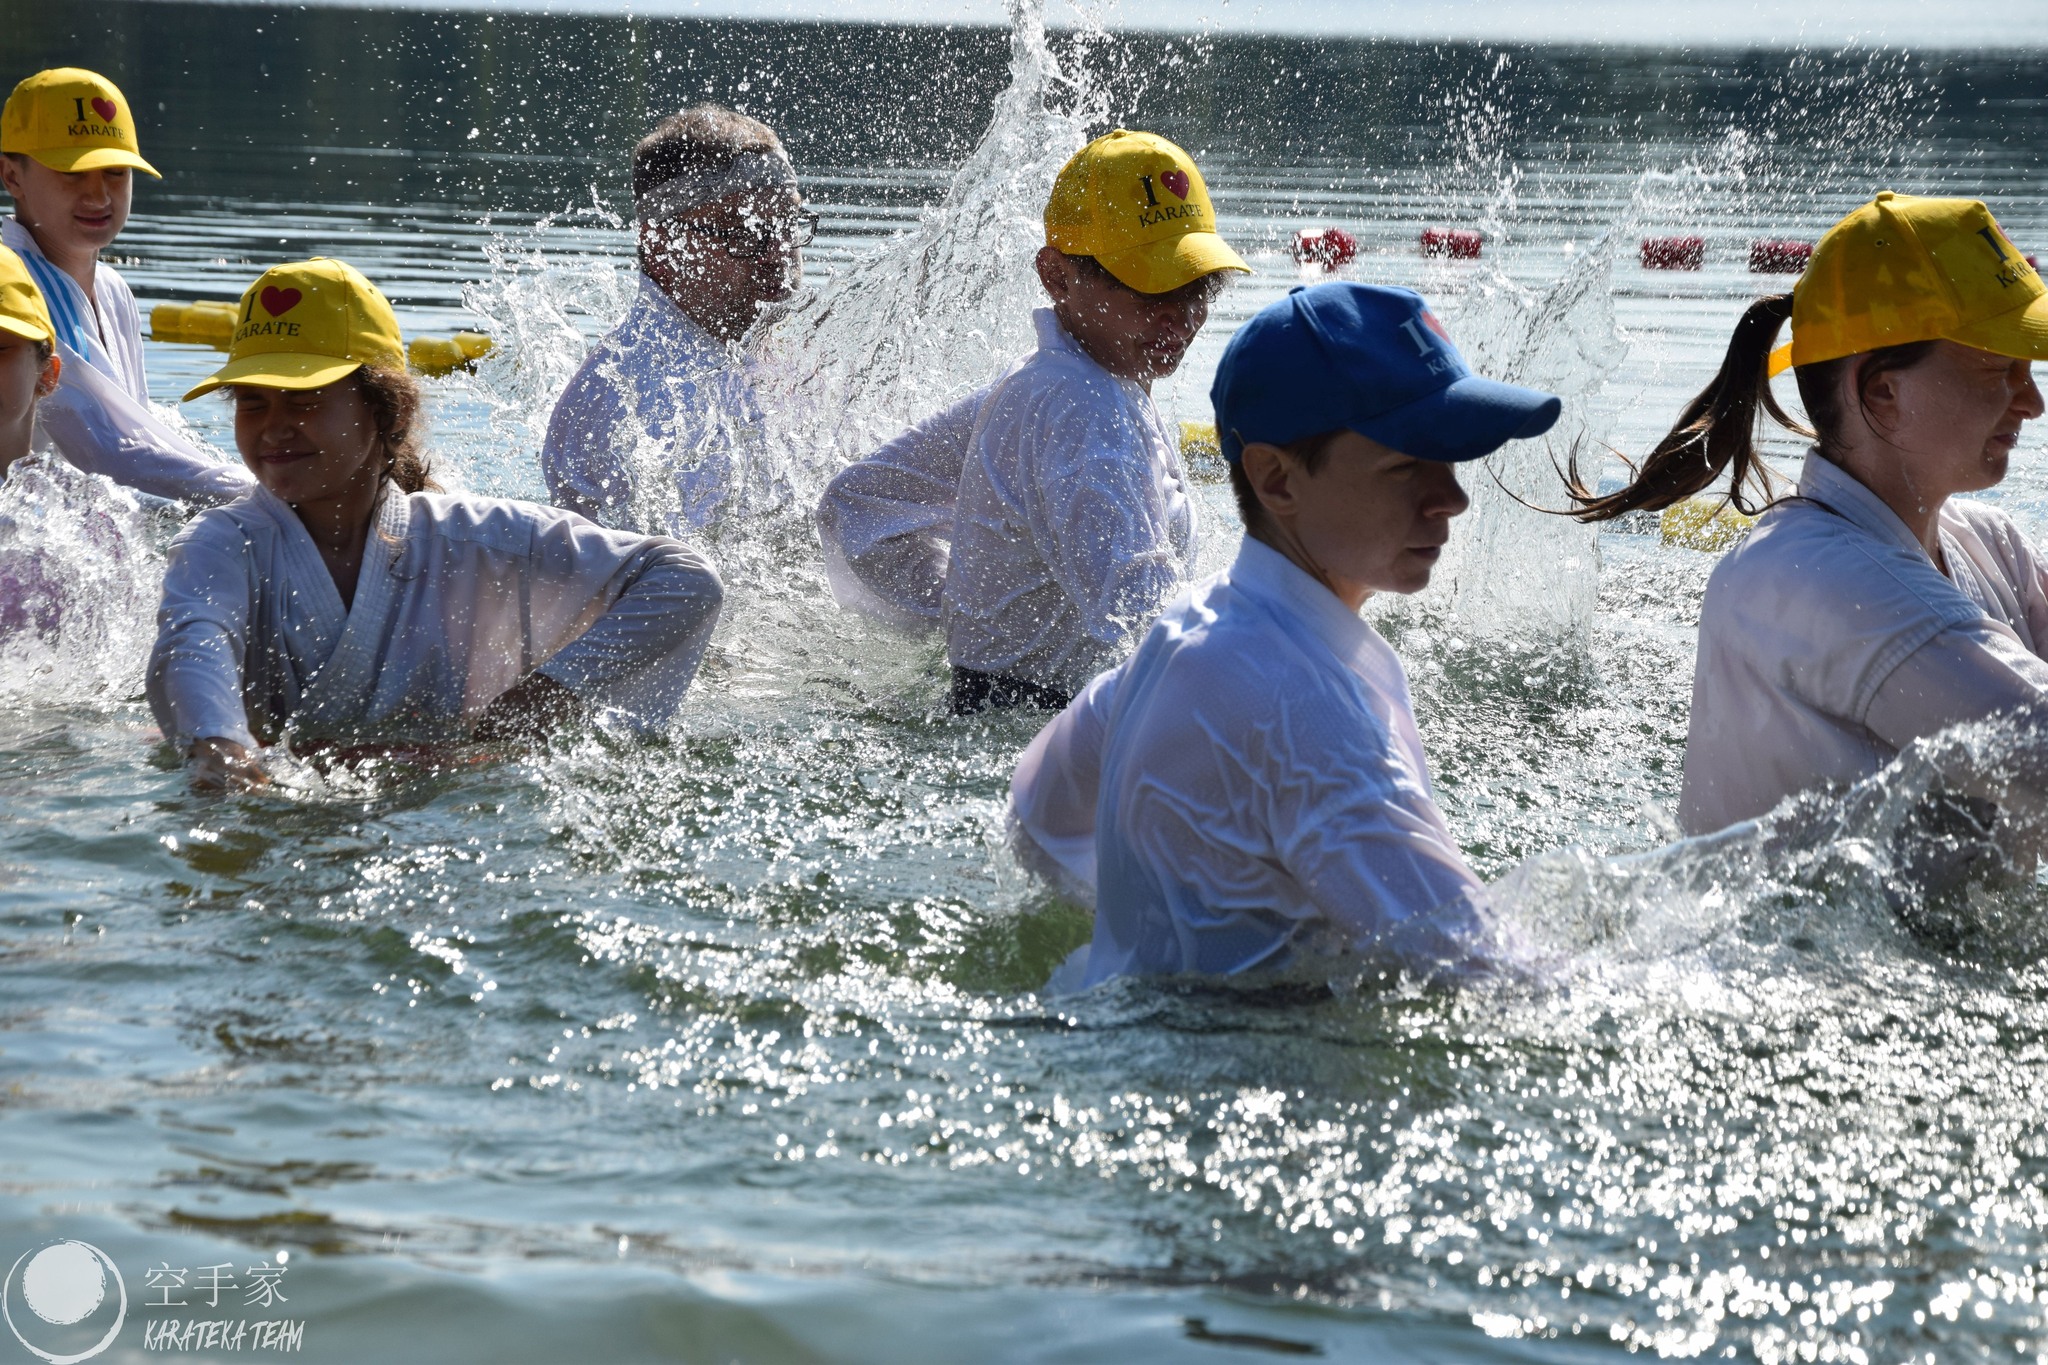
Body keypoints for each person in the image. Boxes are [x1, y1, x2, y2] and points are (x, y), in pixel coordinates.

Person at [1009, 282, 1562, 989]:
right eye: (1405, 464)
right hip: (1244, 1076)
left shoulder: (1188, 631)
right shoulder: (1305, 709)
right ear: (1275, 479)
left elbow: (1035, 818)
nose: (1450, 498)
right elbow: (1490, 972)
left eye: (1449, 459)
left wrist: (1165, 915)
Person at [1567, 192, 2048, 836]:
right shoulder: (1820, 580)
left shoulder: (1988, 547)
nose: (2033, 402)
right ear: (1883, 391)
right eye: (2001, 368)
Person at [148, 258, 726, 790]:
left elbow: (685, 580)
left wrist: (533, 706)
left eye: (303, 400)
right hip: (277, 801)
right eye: (252, 402)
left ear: (388, 412)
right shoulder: (222, 544)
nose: (273, 428)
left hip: (433, 818)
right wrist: (220, 746)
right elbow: (192, 641)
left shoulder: (470, 538)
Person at [939, 128, 1247, 713]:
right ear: (1057, 276)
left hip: (1001, 711)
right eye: (1148, 286)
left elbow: (861, 495)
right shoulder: (1083, 406)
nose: (1180, 316)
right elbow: (1144, 622)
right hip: (1040, 727)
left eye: (1195, 285)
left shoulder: (1051, 381)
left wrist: (962, 621)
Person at [542, 105, 811, 538]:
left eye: (786, 224)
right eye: (743, 232)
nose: (777, 254)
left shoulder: (771, 361)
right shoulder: (625, 395)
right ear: (661, 245)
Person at [0, 67, 250, 504]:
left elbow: (137, 428)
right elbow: (105, 454)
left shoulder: (114, 290)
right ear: (11, 176)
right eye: (72, 173)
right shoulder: (14, 287)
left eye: (115, 171)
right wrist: (266, 495)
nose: (98, 196)